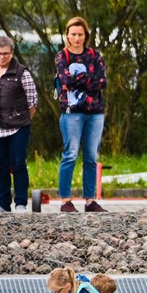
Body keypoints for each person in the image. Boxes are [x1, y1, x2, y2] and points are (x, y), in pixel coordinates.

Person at [55, 16, 107, 213]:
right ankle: (65, 199)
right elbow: (64, 79)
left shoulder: (94, 55)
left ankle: (89, 199)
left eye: (80, 34)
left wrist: (78, 80)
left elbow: (102, 82)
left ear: (86, 36)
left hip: (94, 112)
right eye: (73, 34)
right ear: (67, 35)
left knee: (91, 156)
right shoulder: (62, 57)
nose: (76, 38)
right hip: (71, 113)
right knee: (70, 154)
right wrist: (87, 80)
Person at [0, 36, 37, 213]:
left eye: (5, 54)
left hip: (18, 127)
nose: (2, 57)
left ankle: (20, 203)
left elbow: (32, 101)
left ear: (11, 53)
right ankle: (3, 204)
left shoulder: (22, 73)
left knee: (19, 164)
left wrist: (21, 119)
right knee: (0, 166)